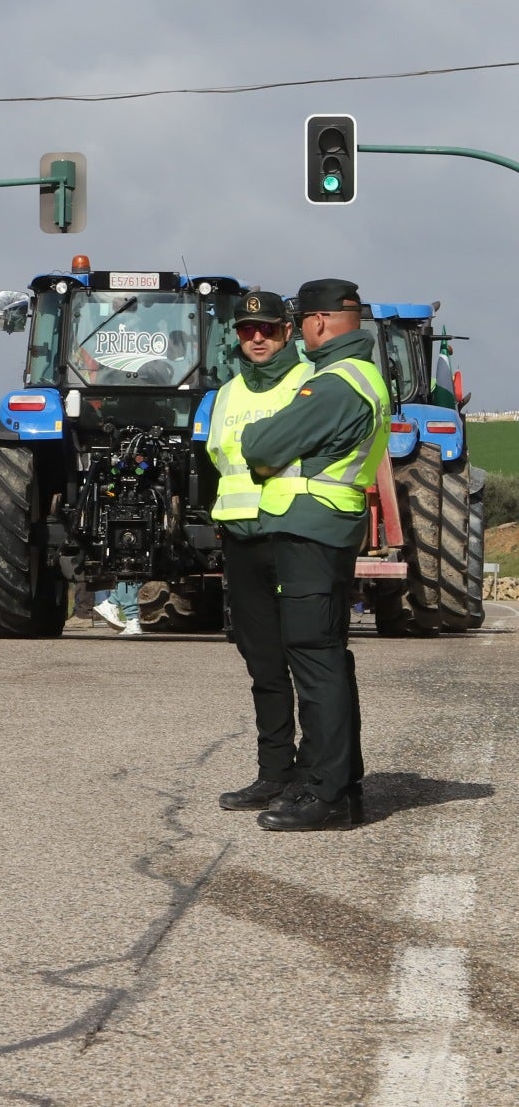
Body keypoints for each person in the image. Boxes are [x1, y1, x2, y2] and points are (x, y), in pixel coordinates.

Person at [235, 279, 387, 832]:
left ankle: (325, 793)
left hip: (312, 530)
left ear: (319, 323)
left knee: (315, 660)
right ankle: (339, 783)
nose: (297, 332)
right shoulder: (356, 376)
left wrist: (263, 437)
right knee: (328, 659)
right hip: (325, 528)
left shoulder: (335, 384)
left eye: (299, 322)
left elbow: (262, 446)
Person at [200, 289, 311, 806]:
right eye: (248, 330)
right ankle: (274, 773)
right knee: (262, 664)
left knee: (307, 659)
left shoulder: (308, 382)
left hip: (294, 534)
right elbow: (217, 459)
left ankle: (315, 773)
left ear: (287, 331)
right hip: (242, 539)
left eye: (267, 328)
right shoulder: (226, 393)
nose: (257, 337)